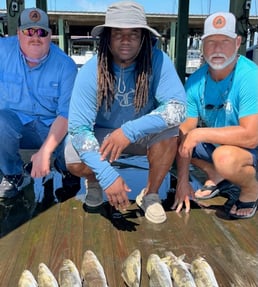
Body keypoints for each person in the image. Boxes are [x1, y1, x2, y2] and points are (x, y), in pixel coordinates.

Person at [65, 1, 186, 224]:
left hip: (141, 133)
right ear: (107, 37)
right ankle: (94, 181)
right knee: (73, 156)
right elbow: (79, 129)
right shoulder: (92, 69)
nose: (126, 39)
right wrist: (106, 174)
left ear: (144, 38)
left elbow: (177, 109)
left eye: (134, 33)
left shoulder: (158, 61)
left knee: (171, 132)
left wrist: (129, 130)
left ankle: (150, 194)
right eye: (118, 33)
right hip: (103, 136)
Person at [173, 12, 258, 219]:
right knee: (171, 138)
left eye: (224, 41)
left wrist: (200, 134)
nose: (217, 49)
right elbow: (186, 132)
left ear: (237, 42)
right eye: (211, 42)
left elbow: (251, 137)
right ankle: (216, 173)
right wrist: (182, 183)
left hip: (251, 150)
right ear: (202, 46)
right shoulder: (195, 81)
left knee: (224, 157)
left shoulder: (250, 76)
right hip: (220, 146)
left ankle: (250, 190)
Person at [0, 8, 81, 199]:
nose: (35, 37)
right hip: (15, 128)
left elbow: (66, 114)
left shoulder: (66, 65)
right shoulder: (3, 50)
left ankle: (66, 169)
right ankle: (13, 174)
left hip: (53, 128)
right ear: (18, 34)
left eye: (41, 32)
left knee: (76, 141)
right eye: (29, 31)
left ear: (50, 35)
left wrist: (45, 152)